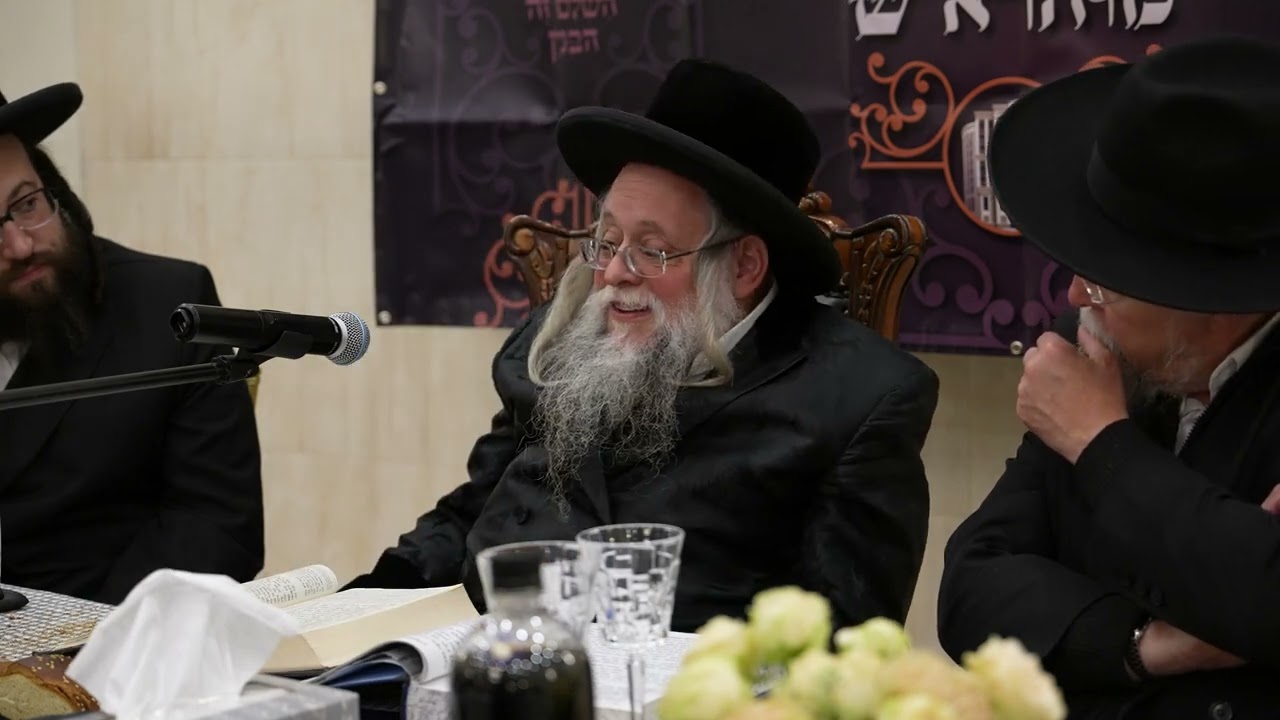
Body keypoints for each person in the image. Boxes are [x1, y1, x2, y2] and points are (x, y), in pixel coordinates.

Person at [348, 59, 939, 632]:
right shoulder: (560, 336)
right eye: (607, 242)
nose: (613, 274)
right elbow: (471, 510)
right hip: (485, 652)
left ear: (745, 266)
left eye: (652, 251)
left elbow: (848, 642)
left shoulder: (861, 397)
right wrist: (357, 614)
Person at [937, 36, 1280, 718]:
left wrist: (1101, 443)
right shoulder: (1097, 347)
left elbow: (1267, 599)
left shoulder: (1089, 400)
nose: (1073, 296)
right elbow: (972, 582)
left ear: (1217, 302)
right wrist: (1142, 644)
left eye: (1103, 282)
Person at [0, 82, 264, 604]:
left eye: (27, 204)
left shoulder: (167, 305)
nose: (21, 244)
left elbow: (215, 526)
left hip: (105, 631)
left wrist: (92, 639)